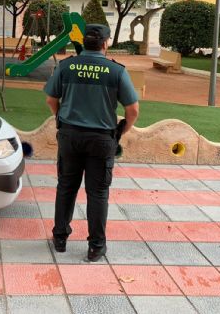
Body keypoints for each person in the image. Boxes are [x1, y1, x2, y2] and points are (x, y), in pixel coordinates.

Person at [43, 23, 139, 262]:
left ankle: (60, 238)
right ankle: (96, 247)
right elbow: (133, 110)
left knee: (66, 187)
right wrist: (121, 131)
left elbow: (51, 99)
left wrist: (60, 119)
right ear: (105, 43)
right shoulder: (116, 71)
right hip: (101, 139)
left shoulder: (66, 66)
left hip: (69, 136)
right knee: (97, 192)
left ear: (84, 42)